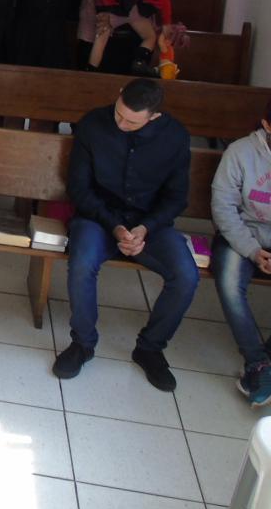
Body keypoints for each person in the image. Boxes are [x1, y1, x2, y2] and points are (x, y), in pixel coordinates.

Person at [53, 80, 196, 392]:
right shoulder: (93, 124)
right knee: (82, 263)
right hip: (98, 217)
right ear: (118, 95)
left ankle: (150, 348)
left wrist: (145, 228)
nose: (121, 124)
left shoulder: (175, 137)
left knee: (186, 275)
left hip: (149, 225)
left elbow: (176, 198)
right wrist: (115, 226)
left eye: (132, 122)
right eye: (119, 114)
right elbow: (79, 188)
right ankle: (83, 344)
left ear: (154, 116)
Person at [209, 102, 271, 406]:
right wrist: (253, 250)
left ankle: (265, 365)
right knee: (230, 283)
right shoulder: (240, 153)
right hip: (241, 234)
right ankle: (257, 363)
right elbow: (224, 209)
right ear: (266, 125)